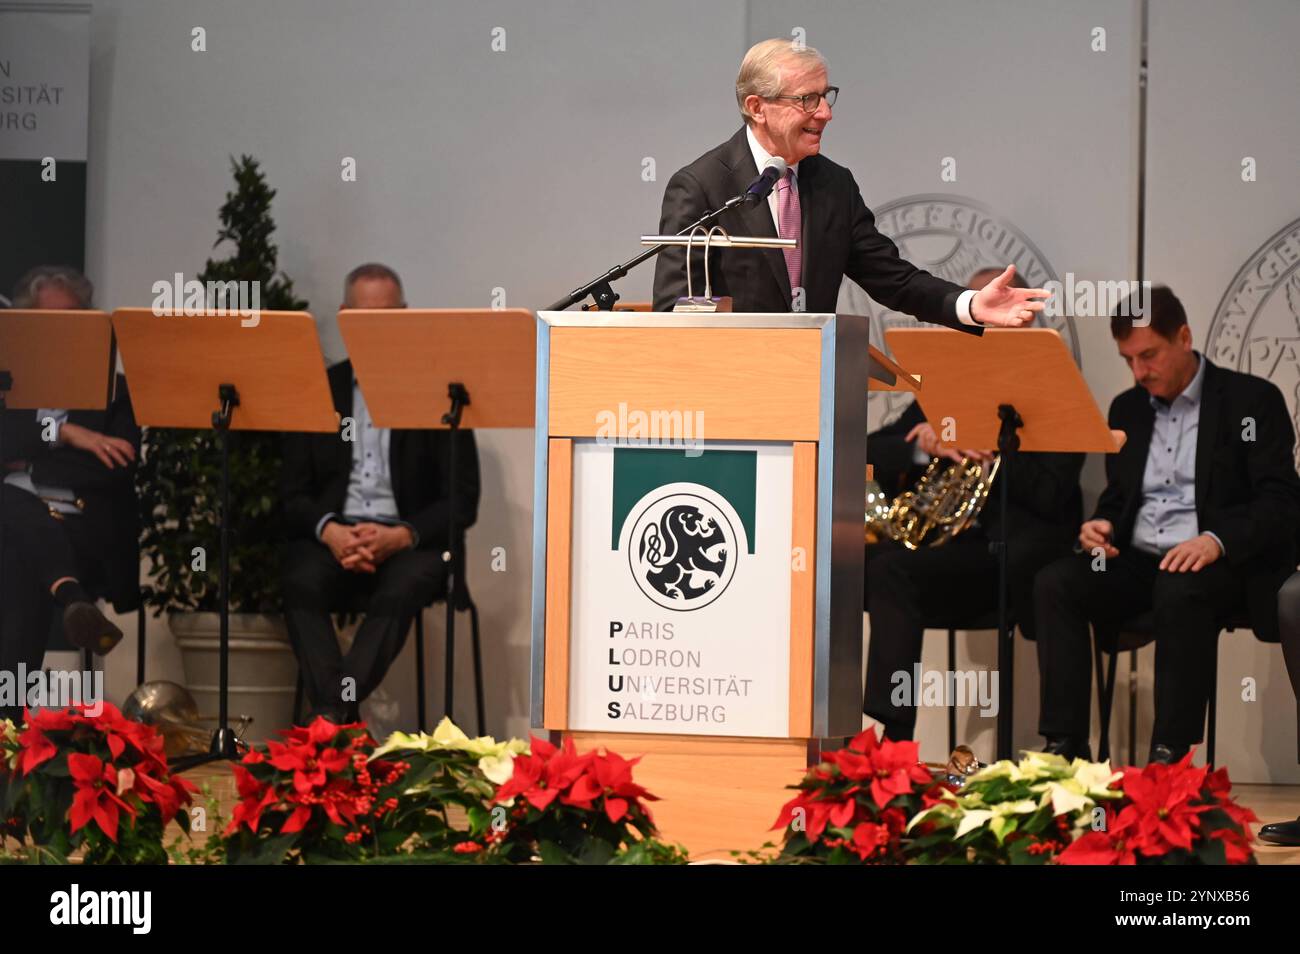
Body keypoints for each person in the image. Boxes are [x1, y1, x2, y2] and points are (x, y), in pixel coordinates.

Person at [1034, 286, 1300, 764]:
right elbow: (1120, 497)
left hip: (1215, 564)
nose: (1139, 372)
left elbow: (1281, 501)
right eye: (1128, 360)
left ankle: (1168, 753)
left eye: (1149, 356)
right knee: (1057, 583)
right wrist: (1102, 526)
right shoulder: (1128, 408)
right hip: (1136, 562)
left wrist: (1217, 540)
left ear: (1184, 336)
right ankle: (1064, 746)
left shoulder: (1251, 401)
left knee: (1179, 586)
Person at [651, 38, 1049, 329]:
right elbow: (674, 308)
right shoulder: (701, 186)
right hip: (733, 398)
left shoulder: (834, 185)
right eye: (807, 100)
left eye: (826, 96)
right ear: (757, 108)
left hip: (813, 393)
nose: (825, 113)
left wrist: (971, 304)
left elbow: (893, 278)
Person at [862, 267, 1084, 741]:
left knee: (896, 572)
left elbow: (1052, 495)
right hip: (957, 554)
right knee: (876, 566)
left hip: (1021, 556)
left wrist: (994, 443)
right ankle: (890, 736)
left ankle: (1060, 745)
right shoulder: (952, 387)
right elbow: (871, 449)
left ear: (1022, 322)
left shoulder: (1055, 390)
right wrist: (923, 445)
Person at [279, 263, 481, 722]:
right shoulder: (319, 389)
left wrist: (402, 535)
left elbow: (462, 499)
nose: (374, 329)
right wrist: (330, 531)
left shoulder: (441, 391)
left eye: (387, 316)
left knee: (408, 581)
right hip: (334, 536)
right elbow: (291, 494)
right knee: (298, 580)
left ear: (405, 316)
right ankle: (341, 717)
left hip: (408, 540)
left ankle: (331, 716)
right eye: (362, 318)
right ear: (344, 315)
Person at [1, 267, 140, 721]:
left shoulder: (113, 391)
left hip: (79, 522)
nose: (61, 332)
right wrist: (69, 434)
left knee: (18, 555)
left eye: (73, 319)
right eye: (48, 320)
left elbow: (117, 466)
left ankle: (8, 725)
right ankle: (71, 598)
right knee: (18, 532)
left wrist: (33, 450)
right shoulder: (8, 384)